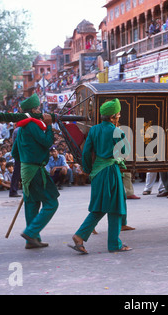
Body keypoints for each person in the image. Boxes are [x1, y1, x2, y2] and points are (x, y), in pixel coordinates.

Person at [69, 99, 132, 254]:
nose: (119, 116)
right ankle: (111, 243)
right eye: (118, 114)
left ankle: (83, 236)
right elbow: (125, 152)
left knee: (100, 206)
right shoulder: (117, 131)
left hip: (97, 171)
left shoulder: (94, 130)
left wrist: (88, 169)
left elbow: (85, 152)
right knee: (115, 207)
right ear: (112, 117)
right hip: (110, 171)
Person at [12, 93, 60, 249]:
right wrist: (50, 125)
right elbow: (47, 142)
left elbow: (14, 153)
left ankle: (32, 240)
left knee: (32, 204)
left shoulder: (21, 127)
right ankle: (31, 232)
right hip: (35, 170)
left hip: (26, 169)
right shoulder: (32, 124)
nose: (41, 110)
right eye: (39, 107)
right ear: (33, 110)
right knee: (52, 202)